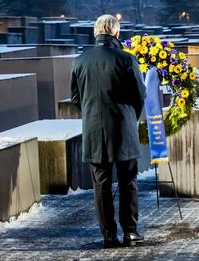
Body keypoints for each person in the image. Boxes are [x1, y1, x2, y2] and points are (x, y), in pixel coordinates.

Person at [70, 14, 146, 248]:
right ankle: (130, 232)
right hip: (122, 127)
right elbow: (139, 95)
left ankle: (108, 235)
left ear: (96, 33)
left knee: (101, 184)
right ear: (116, 33)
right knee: (128, 182)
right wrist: (130, 116)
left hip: (94, 130)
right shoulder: (126, 59)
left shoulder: (80, 61)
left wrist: (91, 113)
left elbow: (76, 98)